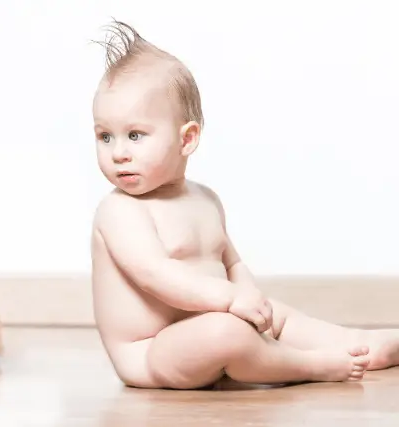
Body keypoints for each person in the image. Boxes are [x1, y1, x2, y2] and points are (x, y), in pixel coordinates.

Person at [90, 20, 398, 389]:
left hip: (209, 323)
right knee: (226, 332)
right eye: (105, 136)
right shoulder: (120, 211)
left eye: (135, 135)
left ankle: (356, 344)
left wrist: (249, 297)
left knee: (277, 315)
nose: (118, 153)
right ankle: (309, 365)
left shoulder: (205, 200)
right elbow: (157, 275)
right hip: (152, 352)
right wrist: (230, 300)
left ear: (186, 139)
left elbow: (231, 263)